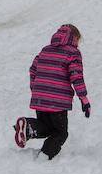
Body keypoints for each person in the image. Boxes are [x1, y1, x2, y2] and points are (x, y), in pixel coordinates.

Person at [14, 24, 89, 159]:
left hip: (40, 98)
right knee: (60, 133)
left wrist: (36, 90)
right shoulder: (73, 52)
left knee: (46, 127)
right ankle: (44, 156)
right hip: (57, 102)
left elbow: (33, 70)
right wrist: (84, 99)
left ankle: (28, 127)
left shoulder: (45, 50)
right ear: (74, 37)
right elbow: (76, 76)